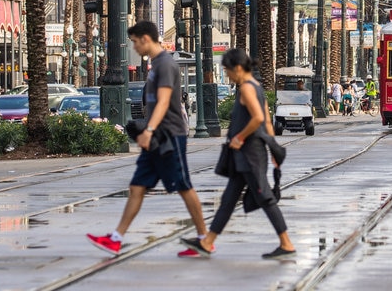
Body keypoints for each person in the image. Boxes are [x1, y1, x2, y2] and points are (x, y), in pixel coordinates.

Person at [86, 21, 208, 258]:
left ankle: (205, 238)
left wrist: (149, 130)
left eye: (134, 42)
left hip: (169, 136)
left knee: (183, 186)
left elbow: (163, 101)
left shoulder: (165, 65)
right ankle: (116, 238)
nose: (134, 47)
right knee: (137, 186)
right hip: (156, 138)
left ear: (145, 39)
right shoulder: (156, 65)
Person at [181, 48, 296, 260]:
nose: (227, 75)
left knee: (265, 198)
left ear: (239, 68)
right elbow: (268, 122)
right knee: (228, 200)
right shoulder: (256, 86)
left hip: (249, 154)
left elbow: (257, 118)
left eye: (228, 71)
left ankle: (286, 243)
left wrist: (240, 137)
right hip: (246, 155)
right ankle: (207, 242)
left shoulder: (246, 89)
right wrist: (273, 147)